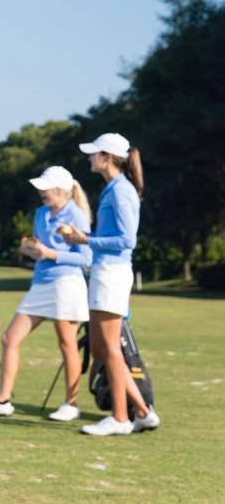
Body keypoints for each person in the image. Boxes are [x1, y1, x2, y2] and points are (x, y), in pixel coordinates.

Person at [0, 166, 92, 421]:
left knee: (67, 343)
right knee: (10, 338)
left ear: (59, 190)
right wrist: (30, 247)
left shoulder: (75, 215)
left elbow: (86, 257)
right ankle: (2, 401)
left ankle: (72, 403)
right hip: (41, 283)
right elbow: (39, 241)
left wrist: (51, 254)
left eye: (44, 188)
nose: (40, 192)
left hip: (66, 283)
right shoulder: (41, 213)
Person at [63, 133, 160, 436]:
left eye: (93, 154)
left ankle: (120, 417)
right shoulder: (113, 189)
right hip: (106, 271)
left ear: (107, 157)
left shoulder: (121, 191)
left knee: (109, 348)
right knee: (102, 349)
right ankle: (143, 412)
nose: (89, 158)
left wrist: (85, 239)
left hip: (112, 273)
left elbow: (127, 240)